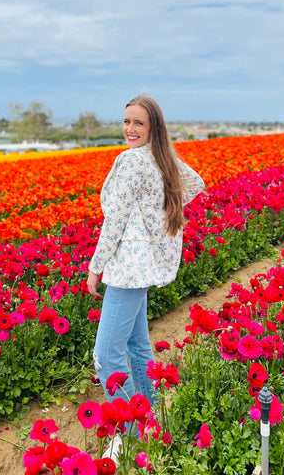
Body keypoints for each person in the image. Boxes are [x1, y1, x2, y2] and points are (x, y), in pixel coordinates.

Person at [87, 94, 205, 422]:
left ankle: (132, 434)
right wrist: (154, 213)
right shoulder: (160, 156)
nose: (130, 128)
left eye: (139, 122)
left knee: (106, 357)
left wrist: (96, 267)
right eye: (127, 121)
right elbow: (195, 183)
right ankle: (150, 421)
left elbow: (115, 221)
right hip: (145, 267)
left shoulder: (134, 160)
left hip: (127, 270)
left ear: (153, 127)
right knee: (137, 349)